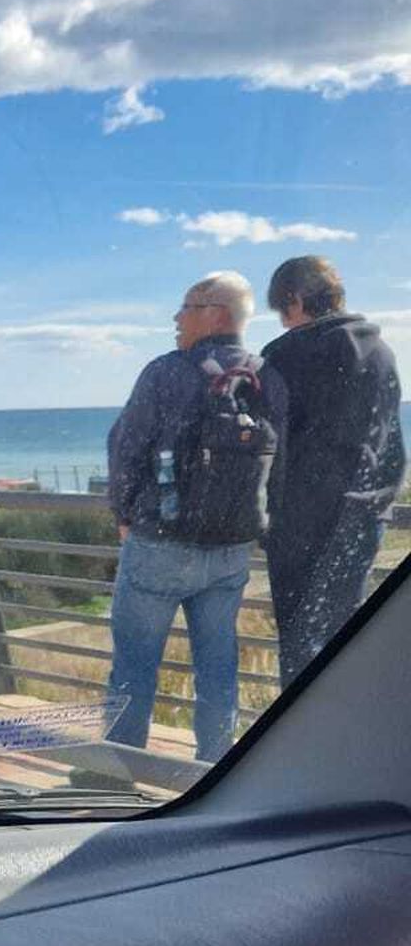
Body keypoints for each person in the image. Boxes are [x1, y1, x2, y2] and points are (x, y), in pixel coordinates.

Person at [104, 273, 286, 763]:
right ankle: (215, 766)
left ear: (215, 314)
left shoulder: (166, 371)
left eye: (185, 307)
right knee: (219, 667)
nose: (176, 317)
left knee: (134, 665)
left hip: (161, 543)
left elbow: (126, 448)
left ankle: (118, 770)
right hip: (231, 549)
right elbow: (280, 462)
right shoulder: (268, 378)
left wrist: (124, 514)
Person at [262, 255, 404, 688]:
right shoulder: (381, 353)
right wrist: (376, 505)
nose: (283, 321)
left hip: (302, 525)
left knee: (299, 648)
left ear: (295, 299)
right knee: (344, 643)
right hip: (364, 520)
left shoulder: (285, 356)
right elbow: (392, 446)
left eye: (282, 309)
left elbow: (269, 447)